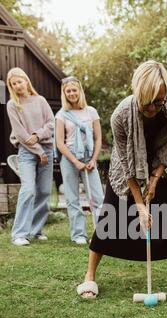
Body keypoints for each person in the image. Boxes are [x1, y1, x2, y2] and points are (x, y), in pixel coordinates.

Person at [77, 60, 167, 299]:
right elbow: (127, 164)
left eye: (159, 102)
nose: (153, 109)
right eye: (147, 103)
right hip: (126, 164)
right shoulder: (121, 115)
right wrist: (139, 204)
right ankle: (89, 277)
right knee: (110, 217)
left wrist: (155, 178)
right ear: (138, 92)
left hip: (160, 162)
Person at [6, 67, 54, 246]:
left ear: (26, 81)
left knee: (43, 191)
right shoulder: (13, 105)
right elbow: (19, 133)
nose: (18, 85)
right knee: (28, 190)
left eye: (20, 81)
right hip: (27, 152)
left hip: (47, 149)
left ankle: (35, 230)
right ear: (12, 87)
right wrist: (38, 150)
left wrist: (38, 135)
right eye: (14, 84)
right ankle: (19, 233)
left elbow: (51, 123)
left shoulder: (40, 100)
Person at [55, 77, 104, 244]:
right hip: (69, 159)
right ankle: (79, 235)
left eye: (74, 90)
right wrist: (75, 161)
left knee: (97, 196)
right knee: (72, 198)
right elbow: (60, 143)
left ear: (80, 91)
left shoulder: (91, 112)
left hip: (89, 157)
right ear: (64, 93)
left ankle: (101, 233)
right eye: (68, 91)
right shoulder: (62, 114)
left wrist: (94, 159)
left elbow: (98, 139)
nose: (71, 93)